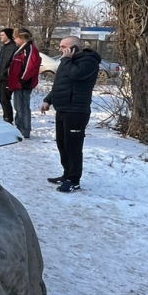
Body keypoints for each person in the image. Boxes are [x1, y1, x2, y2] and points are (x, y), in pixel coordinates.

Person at [40, 37, 100, 192]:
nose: (61, 50)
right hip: (62, 108)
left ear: (74, 48)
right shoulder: (67, 61)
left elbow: (76, 75)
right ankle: (66, 174)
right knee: (62, 144)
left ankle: (74, 180)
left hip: (76, 110)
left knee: (73, 146)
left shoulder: (89, 61)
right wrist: (48, 100)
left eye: (63, 47)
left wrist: (66, 60)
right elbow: (60, 83)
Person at [6, 29, 41, 139]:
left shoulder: (29, 49)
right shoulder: (22, 49)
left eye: (15, 37)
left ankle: (24, 130)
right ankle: (19, 127)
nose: (14, 40)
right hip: (18, 83)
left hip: (23, 84)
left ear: (21, 38)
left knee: (23, 107)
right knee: (18, 106)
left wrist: (22, 79)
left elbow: (30, 66)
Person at [0, 28, 18, 124]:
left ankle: (8, 119)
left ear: (8, 35)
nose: (0, 36)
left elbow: (11, 63)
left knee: (5, 99)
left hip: (7, 78)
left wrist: (5, 72)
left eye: (2, 35)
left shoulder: (13, 47)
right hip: (1, 77)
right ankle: (6, 117)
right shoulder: (4, 47)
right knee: (1, 99)